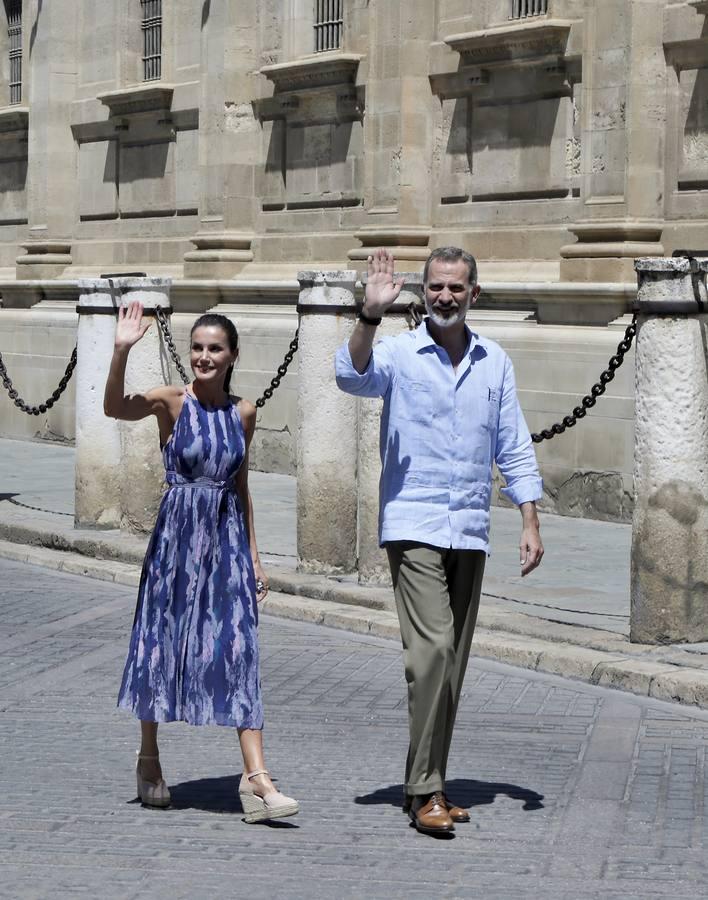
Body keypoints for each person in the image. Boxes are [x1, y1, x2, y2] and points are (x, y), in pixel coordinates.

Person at [335, 247, 544, 836]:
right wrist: (368, 317)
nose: (445, 296)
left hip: (470, 527)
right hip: (414, 524)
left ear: (474, 293)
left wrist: (529, 519)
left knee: (452, 667)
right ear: (422, 293)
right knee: (433, 653)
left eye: (455, 287)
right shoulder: (397, 353)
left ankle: (426, 782)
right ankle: (425, 792)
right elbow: (350, 376)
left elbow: (513, 443)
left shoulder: (494, 361)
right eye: (435, 287)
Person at [104, 302, 298, 823]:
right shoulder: (172, 401)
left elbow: (241, 486)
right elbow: (114, 408)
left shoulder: (245, 413)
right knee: (159, 642)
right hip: (175, 543)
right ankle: (149, 759)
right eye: (197, 348)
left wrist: (255, 557)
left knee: (239, 647)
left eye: (214, 349)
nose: (203, 357)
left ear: (233, 355)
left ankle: (257, 779)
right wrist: (122, 349)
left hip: (226, 539)